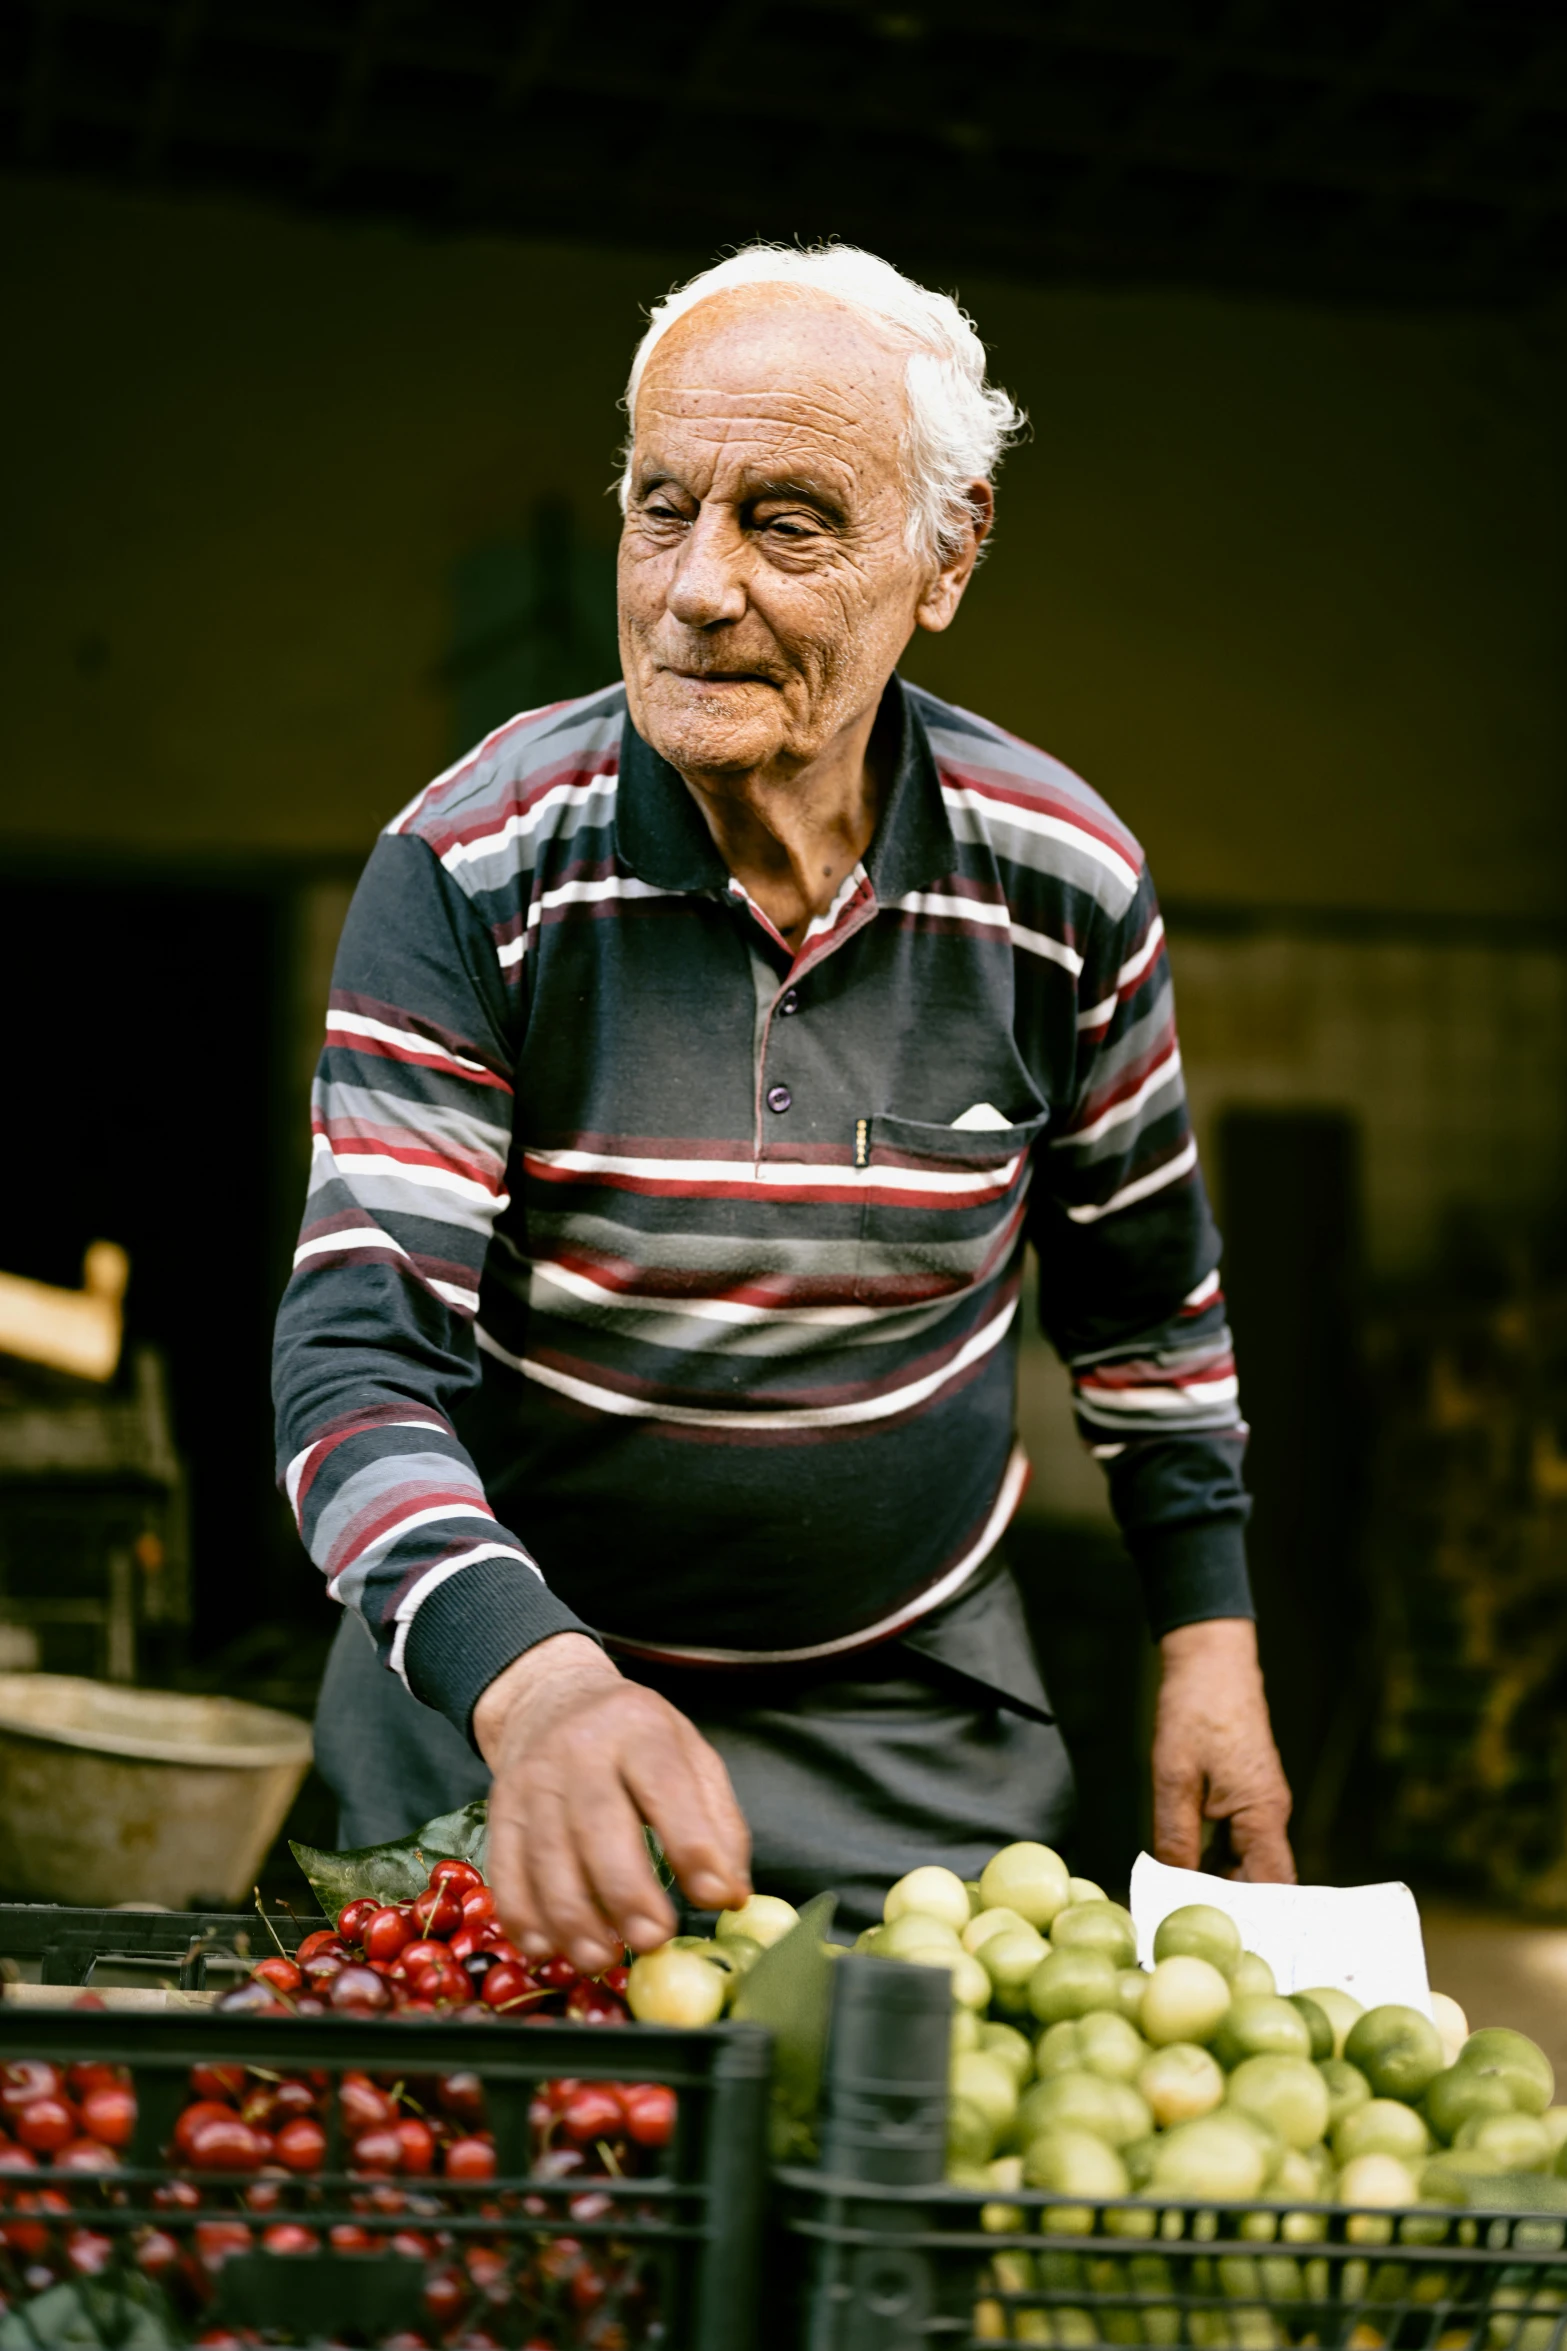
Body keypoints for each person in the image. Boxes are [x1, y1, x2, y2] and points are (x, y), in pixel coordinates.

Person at [273, 242, 1294, 1966]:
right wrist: (531, 1684)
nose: (694, 588)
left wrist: (1209, 1645)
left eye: (786, 522)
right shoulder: (471, 867)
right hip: (504, 1708)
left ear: (945, 555)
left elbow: (1145, 1317)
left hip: (904, 1718)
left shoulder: (1061, 883)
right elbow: (354, 1360)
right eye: (661, 508)